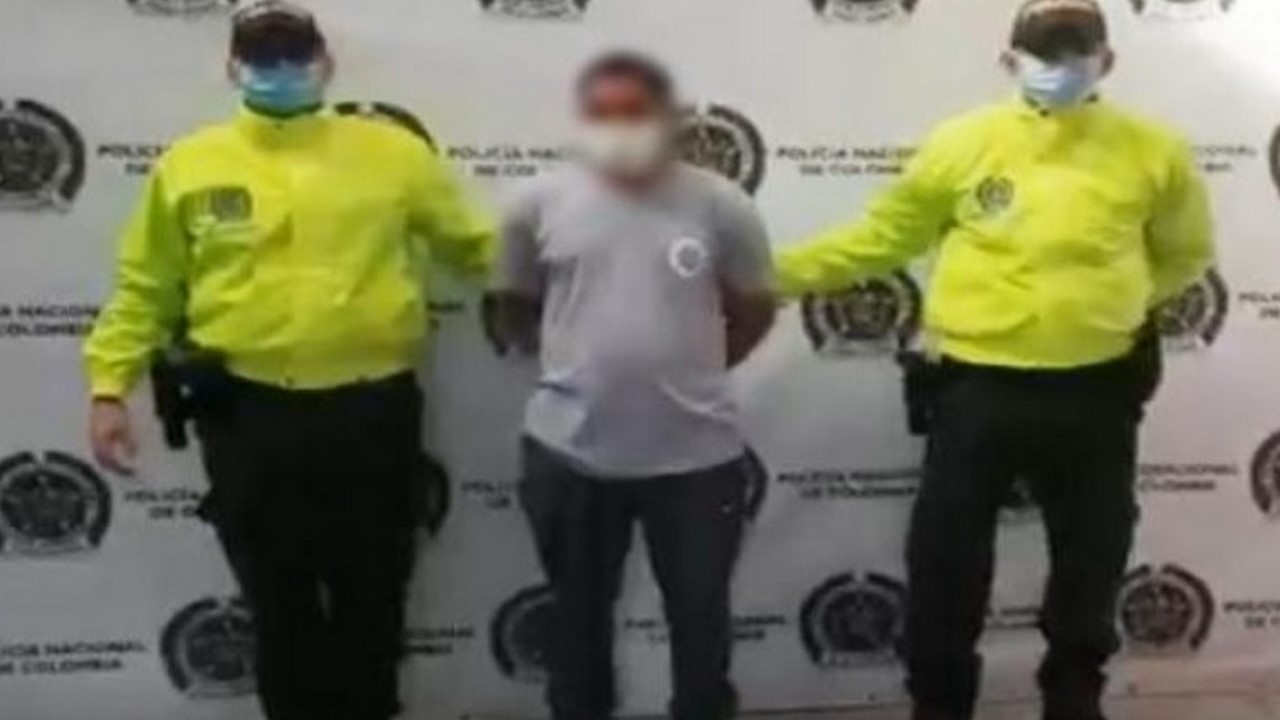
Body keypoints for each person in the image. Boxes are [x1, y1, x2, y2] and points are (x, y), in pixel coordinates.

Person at [775, 2, 1214, 719]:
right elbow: (883, 237)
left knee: (1091, 562)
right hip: (975, 388)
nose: (1058, 70)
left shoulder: (1153, 149)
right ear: (1009, 62)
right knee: (945, 564)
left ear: (1106, 61)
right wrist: (770, 274)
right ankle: (940, 704)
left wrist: (1115, 302)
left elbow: (1186, 254)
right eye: (1043, 57)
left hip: (1096, 390)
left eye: (1074, 56)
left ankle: (1073, 701)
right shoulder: (963, 142)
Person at [83, 3, 493, 719]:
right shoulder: (190, 165)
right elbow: (147, 285)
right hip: (250, 416)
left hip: (369, 410)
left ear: (325, 64)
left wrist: (584, 288)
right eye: (263, 59)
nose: (280, 72)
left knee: (374, 599)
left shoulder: (393, 156)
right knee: (277, 605)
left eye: (294, 57)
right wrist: (108, 386)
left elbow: (476, 247)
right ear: (233, 67)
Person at [485, 52, 777, 720]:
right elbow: (512, 307)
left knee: (701, 624)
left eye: (635, 113)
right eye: (603, 113)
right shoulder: (536, 203)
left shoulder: (721, 204)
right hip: (570, 455)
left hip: (698, 460)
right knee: (577, 621)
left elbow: (755, 309)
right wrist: (583, 367)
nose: (620, 126)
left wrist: (688, 373)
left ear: (667, 118)